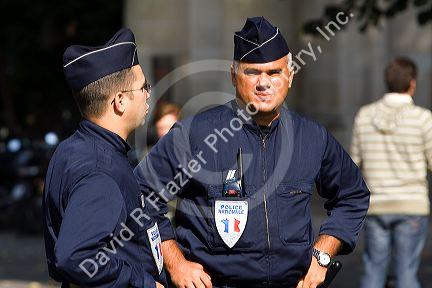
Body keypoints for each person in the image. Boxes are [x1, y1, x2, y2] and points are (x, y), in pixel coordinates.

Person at [134, 17, 370, 288]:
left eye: (274, 73)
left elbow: (352, 196)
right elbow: (141, 194)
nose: (263, 83)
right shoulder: (195, 134)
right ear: (233, 75)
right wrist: (175, 263)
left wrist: (322, 256)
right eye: (252, 72)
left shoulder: (312, 137)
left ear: (290, 76)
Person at [43, 28, 166, 288]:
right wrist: (143, 283)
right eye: (143, 86)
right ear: (120, 101)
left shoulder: (76, 148)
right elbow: (75, 257)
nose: (147, 94)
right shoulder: (100, 169)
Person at [352, 57, 430, 288]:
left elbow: (354, 162)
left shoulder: (364, 116)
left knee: (373, 270)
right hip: (412, 205)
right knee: (407, 272)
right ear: (412, 84)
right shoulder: (423, 119)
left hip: (376, 203)